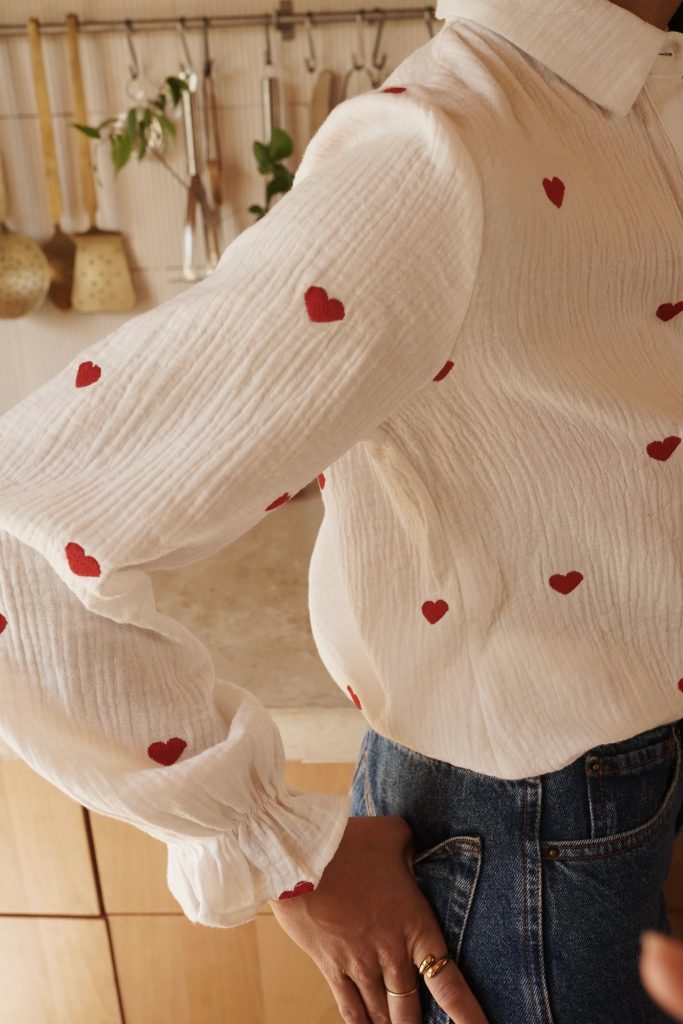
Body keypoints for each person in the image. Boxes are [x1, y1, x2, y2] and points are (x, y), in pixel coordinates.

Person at [1, 0, 682, 1021]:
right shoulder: (436, 152)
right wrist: (277, 849)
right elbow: (25, 526)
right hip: (517, 824)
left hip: (612, 784)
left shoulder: (625, 104)